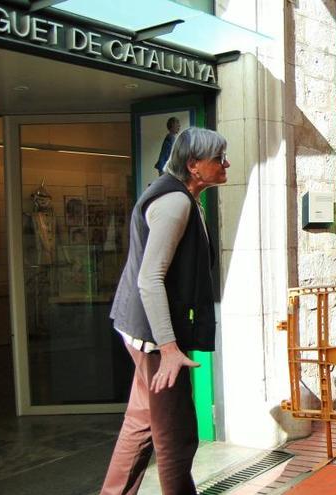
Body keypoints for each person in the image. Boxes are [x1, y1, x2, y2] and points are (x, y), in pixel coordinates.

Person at [102, 127, 230, 495]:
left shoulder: (178, 195)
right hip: (153, 339)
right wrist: (169, 349)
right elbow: (149, 279)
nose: (226, 164)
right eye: (218, 159)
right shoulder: (174, 203)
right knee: (176, 438)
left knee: (140, 424)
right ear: (193, 165)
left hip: (141, 330)